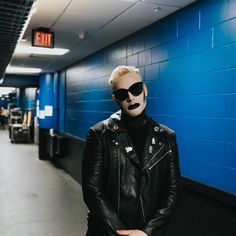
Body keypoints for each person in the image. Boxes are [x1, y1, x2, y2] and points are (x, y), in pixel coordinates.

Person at [82, 65, 181, 236]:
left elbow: (173, 190)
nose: (130, 97)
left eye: (135, 89)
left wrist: (147, 232)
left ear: (144, 90)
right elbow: (92, 190)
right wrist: (122, 232)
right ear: (115, 98)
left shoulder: (167, 137)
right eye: (122, 94)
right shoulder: (99, 135)